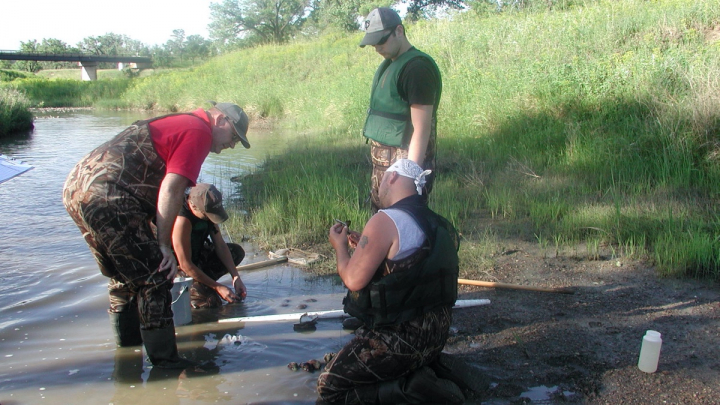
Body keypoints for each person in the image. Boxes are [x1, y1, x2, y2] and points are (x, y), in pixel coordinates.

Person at [62, 101, 250, 369]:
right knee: (157, 274)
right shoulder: (199, 130)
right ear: (220, 120)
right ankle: (166, 365)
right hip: (108, 193)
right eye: (234, 136)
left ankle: (127, 358)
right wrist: (162, 245)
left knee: (122, 276)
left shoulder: (179, 122)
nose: (231, 144)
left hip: (76, 189)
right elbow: (172, 189)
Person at [317, 159, 463, 404]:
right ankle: (419, 373)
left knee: (328, 388)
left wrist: (340, 248)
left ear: (392, 178)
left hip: (400, 342)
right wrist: (367, 243)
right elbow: (412, 263)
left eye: (382, 179)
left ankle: (411, 390)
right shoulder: (436, 222)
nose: (379, 187)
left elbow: (353, 279)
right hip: (435, 339)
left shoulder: (385, 220)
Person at [359, 7, 442, 213]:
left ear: (399, 31)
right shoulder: (391, 64)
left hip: (403, 167)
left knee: (403, 228)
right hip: (384, 167)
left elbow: (422, 129)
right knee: (381, 226)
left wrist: (410, 176)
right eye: (373, 42)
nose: (377, 47)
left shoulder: (416, 68)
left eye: (381, 40)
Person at [172, 183, 247, 308]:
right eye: (208, 215)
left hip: (198, 256)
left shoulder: (207, 210)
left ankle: (204, 283)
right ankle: (198, 289)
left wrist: (235, 277)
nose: (210, 219)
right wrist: (217, 287)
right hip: (177, 267)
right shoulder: (182, 221)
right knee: (210, 302)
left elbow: (220, 246)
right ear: (194, 206)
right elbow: (185, 264)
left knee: (236, 252)